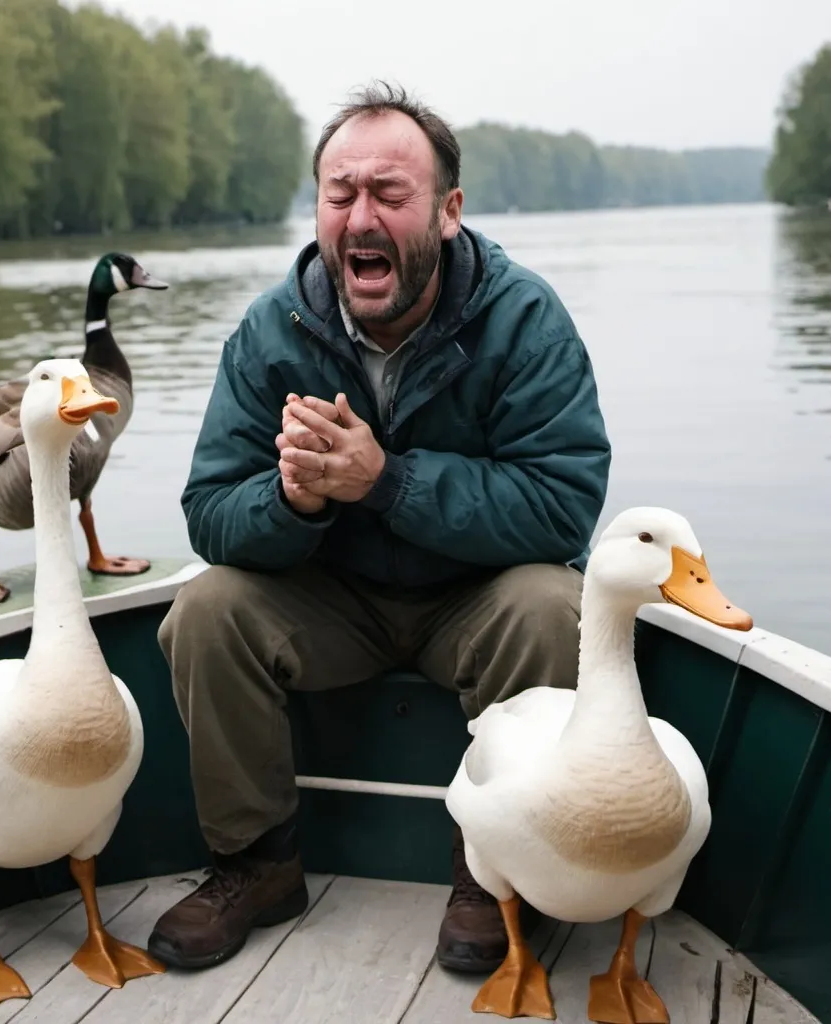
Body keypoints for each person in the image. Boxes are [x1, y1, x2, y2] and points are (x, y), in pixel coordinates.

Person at [147, 82, 611, 975]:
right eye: (339, 193)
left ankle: (494, 870)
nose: (361, 215)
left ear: (446, 212)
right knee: (206, 610)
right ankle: (258, 865)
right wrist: (294, 503)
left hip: (475, 599)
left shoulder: (524, 319)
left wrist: (387, 482)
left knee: (556, 607)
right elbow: (210, 511)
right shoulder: (268, 331)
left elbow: (562, 504)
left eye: (389, 195)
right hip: (337, 598)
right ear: (318, 207)